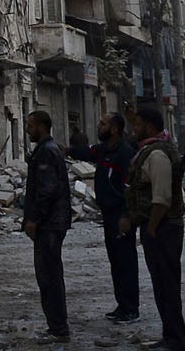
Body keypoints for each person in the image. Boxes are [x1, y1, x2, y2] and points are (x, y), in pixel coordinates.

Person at [120, 106, 185, 351]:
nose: (133, 130)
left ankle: (177, 339)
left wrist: (150, 228)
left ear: (148, 127)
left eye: (137, 125)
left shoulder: (157, 155)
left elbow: (161, 198)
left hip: (163, 228)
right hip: (160, 227)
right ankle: (170, 336)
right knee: (162, 285)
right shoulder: (153, 148)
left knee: (167, 285)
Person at [68, 112, 140, 324]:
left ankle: (131, 309)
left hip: (120, 214)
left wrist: (127, 215)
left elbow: (129, 187)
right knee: (116, 261)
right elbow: (86, 152)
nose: (99, 127)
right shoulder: (104, 150)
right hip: (108, 214)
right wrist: (67, 150)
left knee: (125, 261)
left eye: (103, 124)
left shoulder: (124, 153)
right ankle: (122, 305)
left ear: (114, 129)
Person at [23, 110, 71, 341]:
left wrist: (34, 219)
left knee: (49, 277)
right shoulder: (47, 150)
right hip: (52, 222)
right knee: (50, 275)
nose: (28, 130)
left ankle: (58, 329)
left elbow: (47, 190)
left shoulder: (45, 152)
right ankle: (57, 327)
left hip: (50, 224)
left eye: (31, 126)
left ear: (42, 126)